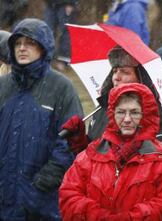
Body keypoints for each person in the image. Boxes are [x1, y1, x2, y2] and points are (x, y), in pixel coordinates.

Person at [59, 83, 162, 220]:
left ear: (144, 114)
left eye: (134, 112)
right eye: (121, 112)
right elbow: (69, 195)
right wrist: (98, 216)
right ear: (112, 114)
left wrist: (130, 218)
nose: (127, 119)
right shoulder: (91, 154)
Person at [0, 18, 83, 220]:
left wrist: (46, 178)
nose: (22, 48)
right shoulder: (3, 85)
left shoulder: (61, 87)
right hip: (4, 193)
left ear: (43, 47)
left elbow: (72, 140)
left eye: (30, 43)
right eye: (18, 43)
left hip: (43, 200)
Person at [62, 45, 162, 153]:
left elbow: (155, 160)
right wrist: (79, 140)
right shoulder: (103, 108)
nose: (116, 77)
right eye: (114, 71)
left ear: (141, 78)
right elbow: (94, 155)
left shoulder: (156, 115)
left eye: (125, 72)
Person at [44, 0, 78, 70]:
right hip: (50, 4)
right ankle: (48, 59)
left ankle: (63, 60)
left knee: (66, 31)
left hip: (65, 4)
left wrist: (71, 3)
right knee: (48, 32)